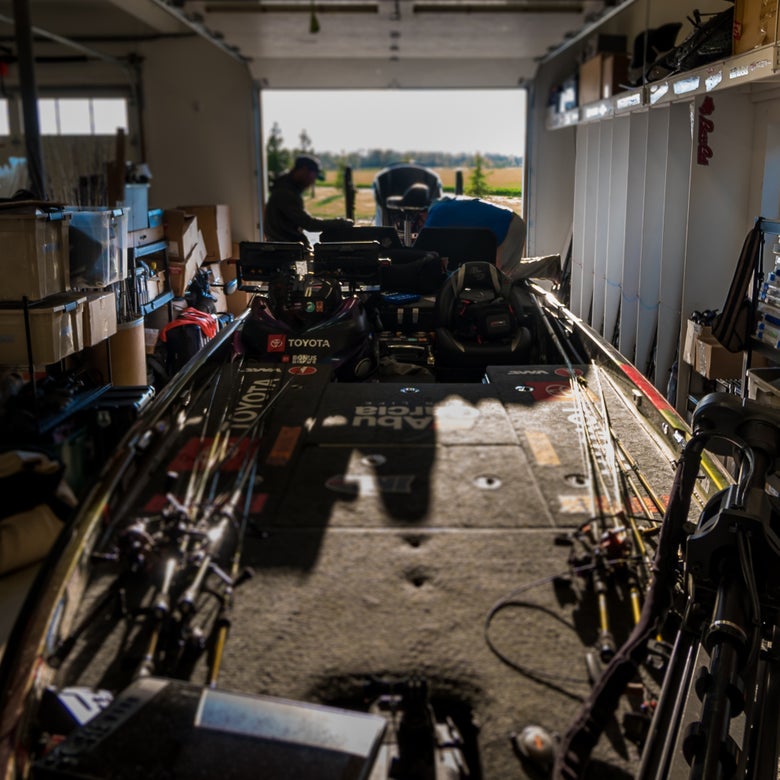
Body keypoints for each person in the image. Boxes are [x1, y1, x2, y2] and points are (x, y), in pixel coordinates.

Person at [263, 155, 352, 248]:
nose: (312, 181)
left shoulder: (285, 186)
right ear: (304, 170)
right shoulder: (285, 192)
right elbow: (309, 224)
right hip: (285, 251)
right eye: (313, 176)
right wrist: (340, 223)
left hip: (286, 248)